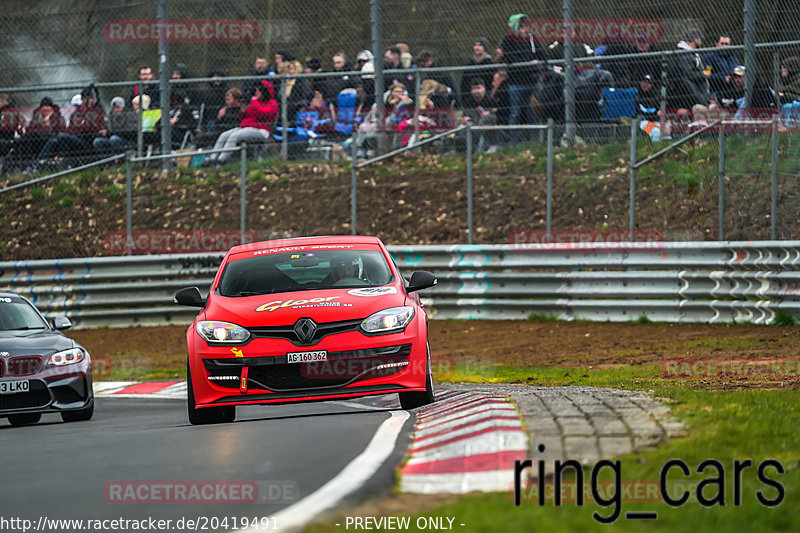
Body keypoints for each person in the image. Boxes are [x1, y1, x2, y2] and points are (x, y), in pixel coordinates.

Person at [27, 86, 106, 173]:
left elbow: (92, 128)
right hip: (73, 139)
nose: (87, 101)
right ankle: (35, 167)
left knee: (61, 136)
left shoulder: (96, 111)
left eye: (89, 98)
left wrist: (79, 129)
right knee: (54, 141)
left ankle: (62, 164)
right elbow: (71, 129)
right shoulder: (76, 114)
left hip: (86, 142)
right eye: (85, 98)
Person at [203, 80, 278, 165]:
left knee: (235, 135)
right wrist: (243, 111)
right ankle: (212, 159)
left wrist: (254, 102)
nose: (256, 92)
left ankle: (221, 160)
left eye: (259, 90)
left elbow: (263, 114)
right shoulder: (255, 102)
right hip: (246, 128)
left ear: (264, 91)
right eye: (256, 90)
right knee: (224, 135)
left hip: (261, 131)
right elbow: (245, 117)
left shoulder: (272, 103)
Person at [499, 13, 549, 142]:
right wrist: (530, 63)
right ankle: (513, 143)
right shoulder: (508, 40)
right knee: (515, 113)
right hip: (516, 83)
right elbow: (511, 59)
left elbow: (543, 56)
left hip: (532, 82)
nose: (524, 30)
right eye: (521, 26)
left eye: (526, 26)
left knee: (533, 112)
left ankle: (535, 142)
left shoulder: (532, 40)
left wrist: (537, 67)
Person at [460, 77, 500, 151]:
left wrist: (490, 112)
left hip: (487, 127)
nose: (476, 91)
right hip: (473, 126)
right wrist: (464, 119)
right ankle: (465, 150)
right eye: (474, 88)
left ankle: (480, 150)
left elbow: (497, 114)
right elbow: (464, 116)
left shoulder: (490, 100)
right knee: (461, 126)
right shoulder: (468, 102)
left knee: (486, 123)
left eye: (478, 88)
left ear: (484, 89)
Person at [673, 29, 710, 97]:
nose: (701, 41)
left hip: (699, 88)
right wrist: (702, 74)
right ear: (695, 39)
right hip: (691, 92)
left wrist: (705, 72)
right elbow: (687, 74)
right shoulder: (684, 54)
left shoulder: (692, 52)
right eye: (700, 39)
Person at [460, 37, 495, 104]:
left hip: (485, 96)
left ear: (484, 47)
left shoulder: (488, 62)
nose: (477, 47)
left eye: (480, 45)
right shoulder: (471, 63)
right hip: (470, 96)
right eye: (476, 45)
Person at [196, 67, 229, 132]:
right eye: (214, 76)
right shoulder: (205, 92)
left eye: (219, 76)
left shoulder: (228, 90)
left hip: (227, 118)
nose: (216, 78)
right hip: (211, 119)